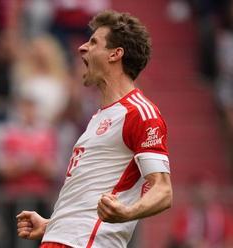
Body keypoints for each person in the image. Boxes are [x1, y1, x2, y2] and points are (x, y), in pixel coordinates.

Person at [16, 10, 173, 248]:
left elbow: (163, 191)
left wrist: (127, 212)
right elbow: (90, 193)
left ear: (115, 54)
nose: (82, 48)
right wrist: (52, 224)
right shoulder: (99, 117)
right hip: (61, 239)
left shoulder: (140, 113)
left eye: (93, 42)